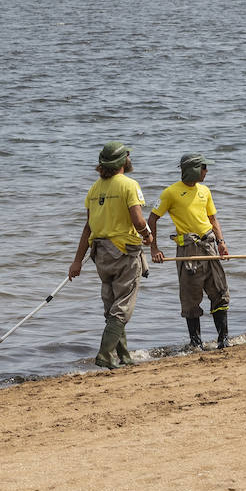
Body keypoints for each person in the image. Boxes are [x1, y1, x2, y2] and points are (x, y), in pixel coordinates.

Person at [68, 141, 152, 369]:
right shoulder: (129, 185)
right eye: (127, 156)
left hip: (101, 254)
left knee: (112, 305)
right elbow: (138, 219)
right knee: (122, 306)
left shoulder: (94, 188)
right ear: (122, 161)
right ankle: (105, 354)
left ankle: (123, 357)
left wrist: (77, 261)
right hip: (124, 252)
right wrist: (147, 234)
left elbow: (88, 227)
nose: (129, 159)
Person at [148, 153, 231, 350]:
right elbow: (151, 220)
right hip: (188, 251)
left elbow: (213, 219)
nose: (206, 171)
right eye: (203, 167)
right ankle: (196, 343)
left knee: (219, 291)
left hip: (209, 246)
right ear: (193, 169)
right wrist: (154, 249)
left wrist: (221, 242)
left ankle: (223, 340)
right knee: (190, 296)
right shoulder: (170, 193)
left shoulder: (205, 191)